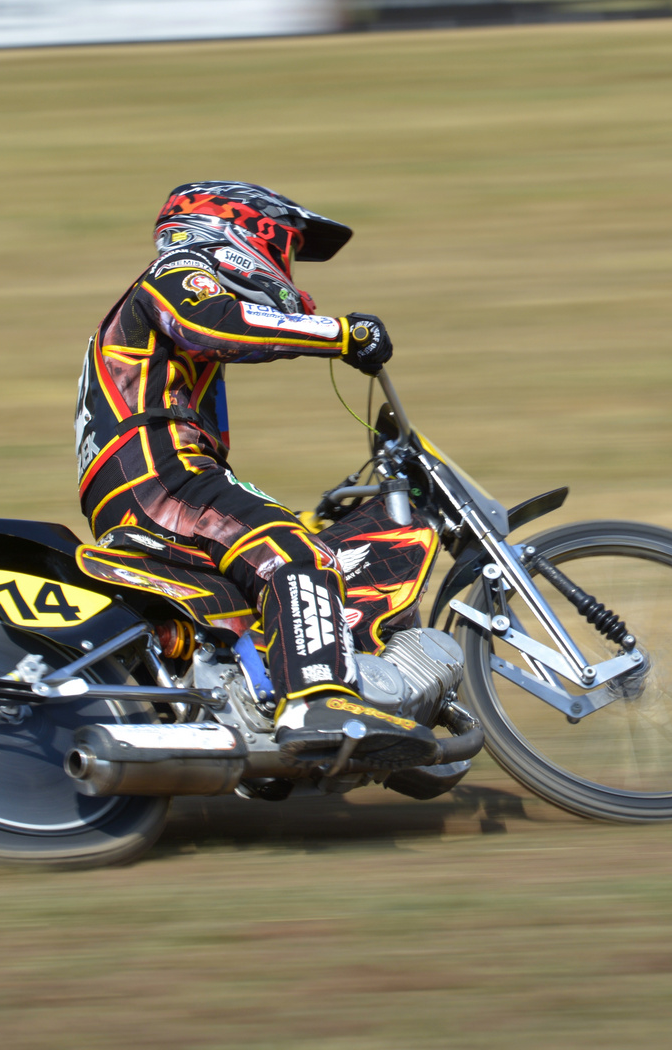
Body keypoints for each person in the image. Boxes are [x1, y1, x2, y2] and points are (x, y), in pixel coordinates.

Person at [73, 181, 438, 771]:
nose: (286, 266)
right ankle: (319, 703)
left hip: (143, 479)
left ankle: (263, 704)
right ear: (243, 232)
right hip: (160, 471)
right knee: (294, 552)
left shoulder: (158, 305)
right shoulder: (178, 271)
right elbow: (218, 323)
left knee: (292, 542)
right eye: (285, 247)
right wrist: (341, 334)